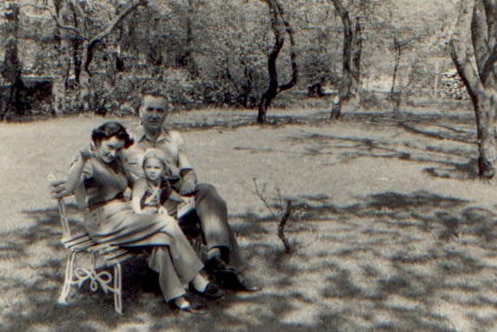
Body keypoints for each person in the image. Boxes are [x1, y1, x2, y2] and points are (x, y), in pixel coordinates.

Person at [51, 121, 223, 314]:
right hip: (103, 222)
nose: (113, 153)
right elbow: (69, 187)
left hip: (123, 215)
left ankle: (178, 298)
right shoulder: (89, 163)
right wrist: (82, 159)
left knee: (162, 239)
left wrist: (144, 201)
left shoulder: (116, 161)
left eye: (118, 148)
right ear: (97, 141)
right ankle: (197, 280)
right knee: (166, 224)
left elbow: (139, 181)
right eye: (109, 147)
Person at [123, 93, 260, 292]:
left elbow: (187, 169)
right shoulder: (128, 141)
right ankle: (227, 267)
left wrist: (189, 179)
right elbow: (105, 156)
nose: (154, 115)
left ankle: (214, 254)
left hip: (177, 194)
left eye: (160, 110)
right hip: (152, 203)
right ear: (139, 111)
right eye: (149, 109)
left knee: (206, 191)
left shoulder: (174, 138)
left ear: (167, 114)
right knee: (214, 217)